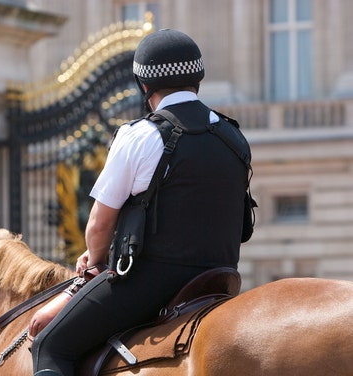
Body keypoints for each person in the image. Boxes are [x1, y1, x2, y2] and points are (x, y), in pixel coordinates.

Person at [30, 29, 252, 375]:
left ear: (144, 85)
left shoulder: (140, 136)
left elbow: (101, 224)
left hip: (152, 283)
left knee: (51, 346)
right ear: (198, 78)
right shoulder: (233, 136)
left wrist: (96, 257)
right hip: (221, 278)